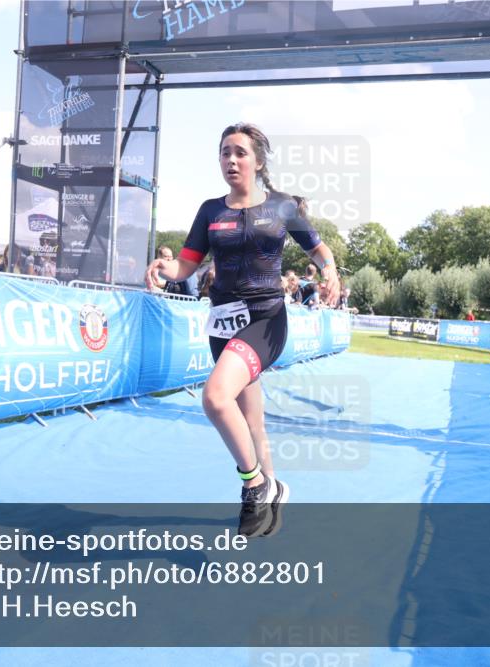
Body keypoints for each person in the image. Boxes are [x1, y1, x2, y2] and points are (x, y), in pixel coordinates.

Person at [144, 122, 341, 537]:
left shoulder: (283, 207)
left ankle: (253, 484)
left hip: (265, 320)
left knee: (216, 397)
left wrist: (330, 271)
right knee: (251, 423)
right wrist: (165, 269)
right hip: (223, 323)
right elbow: (187, 264)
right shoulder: (210, 211)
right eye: (224, 153)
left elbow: (318, 249)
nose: (231, 160)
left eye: (240, 153)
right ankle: (275, 488)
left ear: (258, 161)